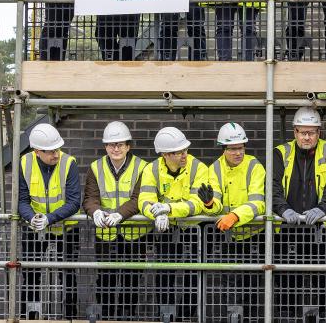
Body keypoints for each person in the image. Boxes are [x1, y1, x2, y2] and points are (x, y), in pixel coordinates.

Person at [272, 106, 326, 319]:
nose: (307, 137)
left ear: (319, 132)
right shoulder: (281, 153)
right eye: (303, 132)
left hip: (323, 233)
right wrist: (283, 209)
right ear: (294, 131)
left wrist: (322, 208)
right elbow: (273, 186)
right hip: (288, 231)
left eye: (311, 132)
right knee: (287, 285)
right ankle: (288, 318)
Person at [138, 126, 210, 321]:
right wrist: (156, 213)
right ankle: (165, 315)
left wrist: (168, 210)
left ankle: (186, 317)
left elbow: (197, 204)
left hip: (194, 230)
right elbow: (144, 199)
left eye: (185, 149)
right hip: (165, 229)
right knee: (164, 274)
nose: (184, 154)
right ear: (165, 155)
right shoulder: (151, 169)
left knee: (192, 276)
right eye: (178, 152)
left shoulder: (198, 168)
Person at [82, 121, 148, 320]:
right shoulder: (96, 167)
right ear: (105, 147)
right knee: (105, 278)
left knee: (132, 279)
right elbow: (90, 197)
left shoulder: (142, 167)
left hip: (135, 234)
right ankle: (108, 315)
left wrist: (120, 214)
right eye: (111, 144)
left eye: (120, 144)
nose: (116, 148)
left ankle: (127, 316)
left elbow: (140, 198)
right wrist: (95, 212)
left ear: (128, 146)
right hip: (106, 233)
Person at [201, 122, 266, 320]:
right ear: (223, 149)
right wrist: (211, 204)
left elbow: (258, 203)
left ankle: (251, 319)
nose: (238, 153)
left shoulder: (254, 166)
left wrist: (236, 216)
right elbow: (217, 204)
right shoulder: (215, 169)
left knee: (253, 285)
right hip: (228, 238)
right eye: (233, 149)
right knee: (230, 284)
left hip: (254, 235)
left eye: (241, 147)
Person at [18, 123, 80, 319]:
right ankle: (31, 316)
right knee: (31, 274)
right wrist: (31, 218)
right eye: (51, 151)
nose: (56, 154)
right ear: (37, 151)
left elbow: (74, 201)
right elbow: (21, 200)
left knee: (68, 275)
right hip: (34, 228)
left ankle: (69, 317)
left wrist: (49, 218)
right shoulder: (24, 163)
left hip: (66, 228)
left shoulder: (69, 162)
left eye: (58, 149)